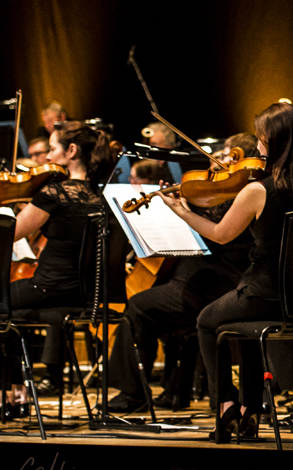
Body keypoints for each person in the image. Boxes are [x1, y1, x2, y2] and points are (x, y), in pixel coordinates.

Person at [163, 102, 293, 440]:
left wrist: (181, 211)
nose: (256, 148)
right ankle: (250, 409)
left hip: (266, 293)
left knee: (207, 322)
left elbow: (221, 233)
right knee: (244, 328)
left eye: (261, 140)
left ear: (274, 142)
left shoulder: (258, 191)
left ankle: (226, 406)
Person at [104, 134, 258, 413]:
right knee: (154, 306)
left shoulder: (241, 195)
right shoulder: (230, 195)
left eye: (227, 156)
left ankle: (133, 393)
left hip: (216, 283)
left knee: (139, 308)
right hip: (206, 280)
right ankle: (175, 388)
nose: (218, 162)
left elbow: (216, 233)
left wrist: (185, 211)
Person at [0, 121, 114, 419]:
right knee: (7, 314)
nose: (47, 158)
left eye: (52, 149)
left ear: (71, 151)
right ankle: (20, 395)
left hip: (48, 289)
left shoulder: (55, 193)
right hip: (82, 295)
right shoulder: (99, 196)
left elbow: (10, 234)